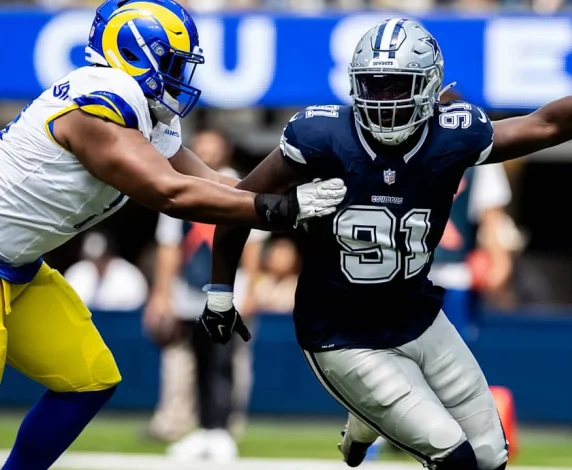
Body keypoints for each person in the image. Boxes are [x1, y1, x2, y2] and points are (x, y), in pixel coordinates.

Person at [203, 18, 572, 470]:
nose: (385, 100)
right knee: (454, 458)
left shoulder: (452, 134)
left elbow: (544, 124)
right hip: (341, 331)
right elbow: (238, 204)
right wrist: (220, 294)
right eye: (375, 85)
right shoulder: (320, 135)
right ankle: (368, 412)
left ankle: (366, 417)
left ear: (430, 86)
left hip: (416, 314)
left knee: (490, 458)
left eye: (399, 86)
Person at [0, 0, 345, 468]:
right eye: (173, 62)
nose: (180, 75)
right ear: (132, 53)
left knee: (87, 380)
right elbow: (171, 193)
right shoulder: (101, 100)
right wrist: (284, 209)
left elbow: (221, 186)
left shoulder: (143, 112)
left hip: (19, 267)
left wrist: (299, 188)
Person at [144, 129, 263, 461]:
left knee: (224, 362)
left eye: (214, 148)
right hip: (190, 290)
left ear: (225, 149)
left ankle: (221, 430)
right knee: (198, 360)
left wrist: (252, 290)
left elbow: (252, 245)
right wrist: (162, 293)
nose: (208, 153)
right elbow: (169, 245)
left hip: (230, 289)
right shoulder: (178, 183)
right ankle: (205, 428)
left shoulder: (241, 183)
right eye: (203, 148)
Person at [64, 229, 148, 311]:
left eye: (101, 258)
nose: (97, 263)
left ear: (109, 254)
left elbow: (136, 304)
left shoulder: (128, 274)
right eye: (92, 259)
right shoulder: (76, 272)